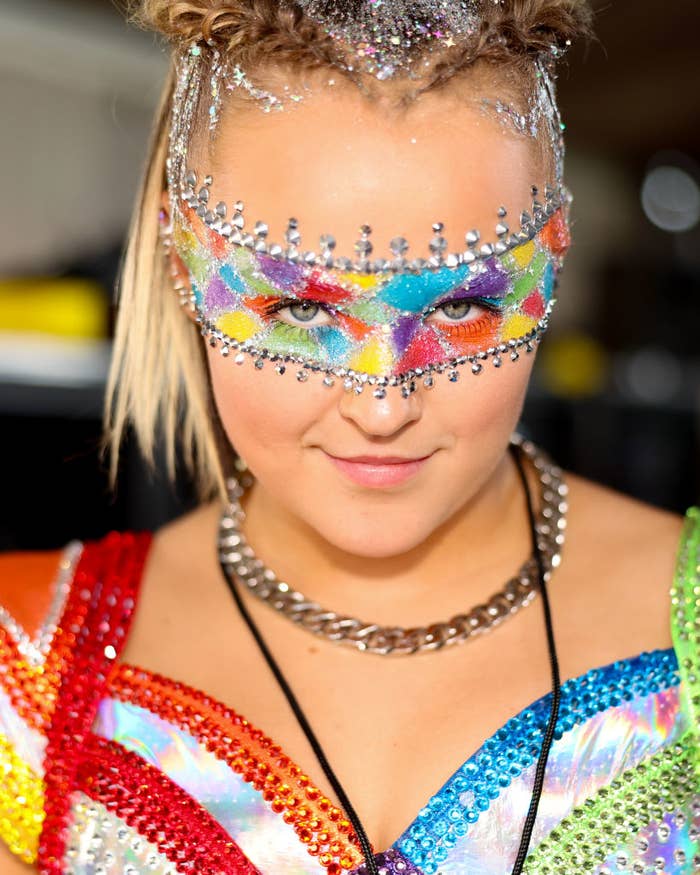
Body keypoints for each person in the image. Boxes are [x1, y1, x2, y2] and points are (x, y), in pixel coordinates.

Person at [1, 1, 698, 873]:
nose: (381, 404)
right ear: (183, 264)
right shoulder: (26, 670)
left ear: (553, 258)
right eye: (299, 307)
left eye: (459, 306)